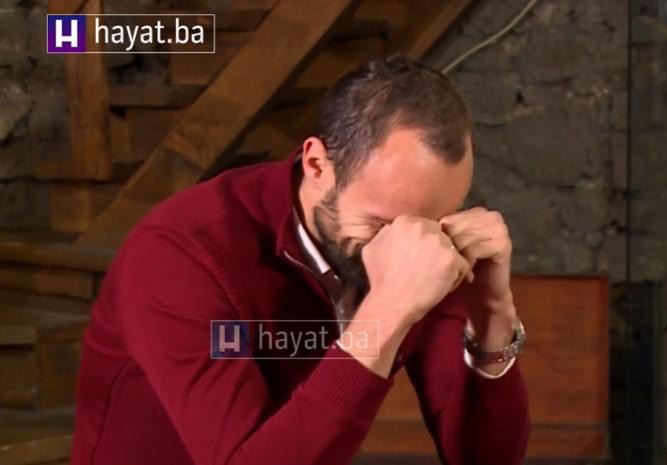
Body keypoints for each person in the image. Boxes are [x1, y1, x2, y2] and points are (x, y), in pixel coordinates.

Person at [71, 54, 530, 465]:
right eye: (383, 224)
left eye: (434, 223)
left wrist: (492, 312)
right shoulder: (179, 255)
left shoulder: (417, 237)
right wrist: (388, 312)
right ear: (317, 165)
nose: (410, 245)